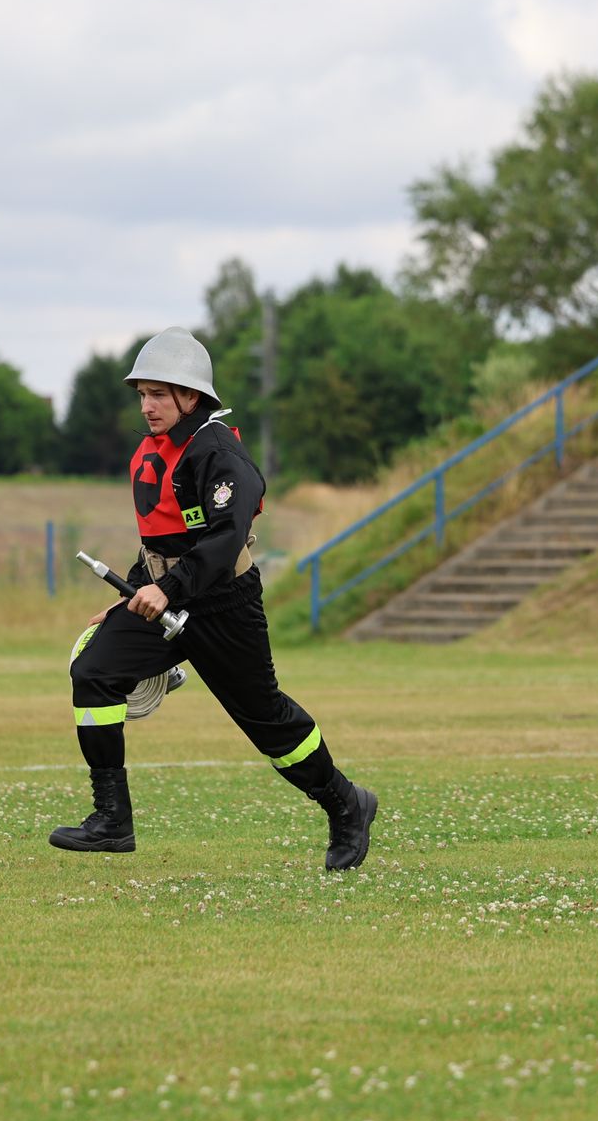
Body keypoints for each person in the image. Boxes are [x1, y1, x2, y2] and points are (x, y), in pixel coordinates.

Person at [53, 327, 378, 870]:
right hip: (162, 597)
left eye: (159, 394)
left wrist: (168, 588)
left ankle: (346, 805)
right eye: (142, 394)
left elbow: (224, 540)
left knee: (268, 723)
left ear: (191, 396)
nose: (148, 405)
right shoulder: (150, 451)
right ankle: (111, 821)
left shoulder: (220, 452)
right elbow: (160, 540)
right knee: (93, 671)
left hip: (223, 603)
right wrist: (133, 591)